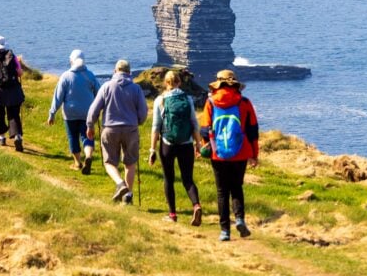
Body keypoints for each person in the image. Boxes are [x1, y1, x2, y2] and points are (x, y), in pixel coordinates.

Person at [201, 69, 259, 241]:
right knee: (236, 188)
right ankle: (240, 219)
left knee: (221, 192)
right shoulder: (244, 102)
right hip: (241, 152)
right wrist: (254, 154)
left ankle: (225, 230)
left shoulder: (210, 102)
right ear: (235, 84)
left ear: (218, 84)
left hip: (218, 154)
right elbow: (253, 131)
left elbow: (204, 130)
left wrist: (205, 147)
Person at [86, 59, 148, 204]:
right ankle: (128, 196)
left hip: (110, 128)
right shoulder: (136, 88)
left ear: (115, 71)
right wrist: (139, 122)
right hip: (131, 129)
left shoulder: (106, 87)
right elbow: (143, 112)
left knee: (109, 162)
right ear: (129, 72)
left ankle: (120, 184)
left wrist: (90, 125)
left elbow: (94, 109)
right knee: (130, 163)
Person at [149, 70, 204, 225]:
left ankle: (172, 214)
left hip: (168, 144)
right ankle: (196, 205)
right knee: (188, 179)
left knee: (169, 179)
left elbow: (155, 127)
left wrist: (152, 150)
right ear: (179, 82)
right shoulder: (188, 99)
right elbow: (194, 123)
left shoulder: (160, 100)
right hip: (186, 144)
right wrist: (198, 143)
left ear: (166, 83)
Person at [47, 49, 101, 174]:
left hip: (70, 114)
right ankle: (88, 156)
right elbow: (99, 93)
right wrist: (99, 109)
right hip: (87, 113)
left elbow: (58, 97)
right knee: (87, 136)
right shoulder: (90, 75)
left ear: (71, 61)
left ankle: (77, 163)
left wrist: (52, 113)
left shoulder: (65, 76)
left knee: (73, 137)